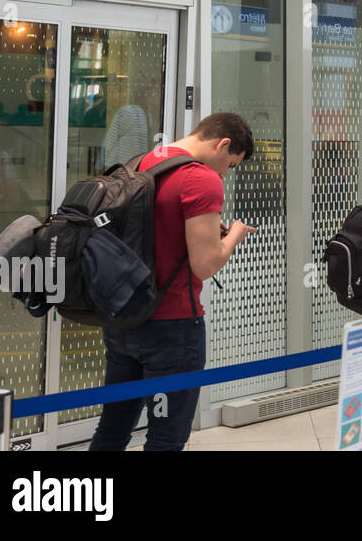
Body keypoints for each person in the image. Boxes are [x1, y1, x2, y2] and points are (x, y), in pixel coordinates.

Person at [89, 112, 256, 451]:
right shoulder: (202, 179)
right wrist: (234, 235)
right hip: (172, 331)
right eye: (231, 163)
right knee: (165, 436)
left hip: (123, 320)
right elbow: (205, 265)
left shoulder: (141, 164)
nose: (225, 172)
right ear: (222, 144)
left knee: (113, 428)